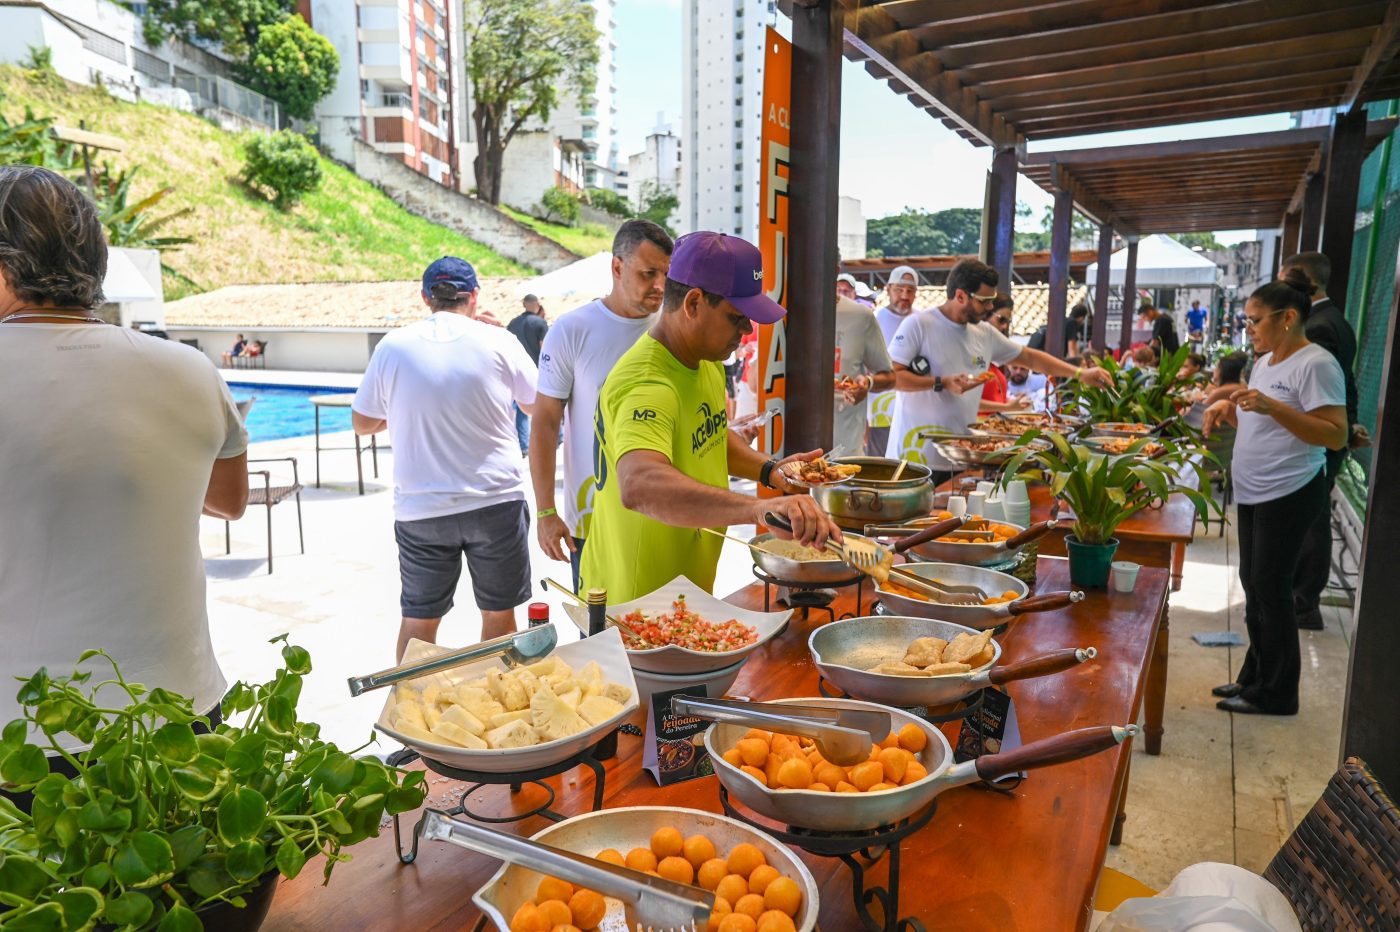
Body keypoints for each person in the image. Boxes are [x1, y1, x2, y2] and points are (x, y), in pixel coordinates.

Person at [0, 166, 248, 767]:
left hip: (25, 739)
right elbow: (229, 501)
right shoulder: (190, 373)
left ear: (5, 271)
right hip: (180, 716)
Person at [580, 232, 842, 603]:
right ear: (693, 303)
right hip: (633, 600)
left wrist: (771, 471)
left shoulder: (705, 360)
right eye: (737, 318)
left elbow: (711, 436)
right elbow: (640, 484)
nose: (747, 331)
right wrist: (759, 509)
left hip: (685, 588)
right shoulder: (647, 381)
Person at [352, 256, 538, 659]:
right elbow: (536, 404)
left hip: (422, 510)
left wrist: (399, 411)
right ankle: (500, 713)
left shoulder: (393, 345)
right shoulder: (500, 340)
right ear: (474, 297)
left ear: (425, 298)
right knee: (499, 617)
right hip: (495, 502)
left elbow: (363, 422)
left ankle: (408, 713)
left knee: (419, 625)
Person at [1202, 270, 1347, 715]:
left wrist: (1272, 406)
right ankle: (1256, 675)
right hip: (1253, 490)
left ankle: (1278, 692)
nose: (1249, 329)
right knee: (1254, 584)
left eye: (1255, 320)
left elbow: (1335, 434)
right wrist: (1232, 406)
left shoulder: (1316, 363)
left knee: (1271, 587)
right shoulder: (1265, 362)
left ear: (1287, 318)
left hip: (1288, 490)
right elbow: (1262, 419)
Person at [530, 220, 674, 591]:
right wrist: (545, 511)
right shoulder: (572, 330)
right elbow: (546, 422)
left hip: (665, 512)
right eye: (648, 273)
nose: (659, 285)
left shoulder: (675, 328)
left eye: (665, 274)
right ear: (617, 267)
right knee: (597, 641)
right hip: (593, 520)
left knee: (670, 633)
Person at [886, 258, 1113, 482]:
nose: (990, 308)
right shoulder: (919, 325)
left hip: (960, 457)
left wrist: (1080, 374)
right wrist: (941, 382)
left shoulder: (984, 332)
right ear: (960, 296)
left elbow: (1030, 358)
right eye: (984, 301)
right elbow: (892, 377)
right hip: (913, 455)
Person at [1280, 252, 1366, 631]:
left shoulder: (1318, 328)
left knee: (1311, 519)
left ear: (1306, 286)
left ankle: (1302, 603)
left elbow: (1319, 392)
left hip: (1318, 440)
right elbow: (1344, 384)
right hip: (1328, 434)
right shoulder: (1334, 321)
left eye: (1284, 283)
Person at [833, 274, 894, 455]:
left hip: (845, 453)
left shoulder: (860, 316)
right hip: (792, 458)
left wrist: (867, 383)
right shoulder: (785, 312)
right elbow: (756, 383)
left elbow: (890, 377)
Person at [867, 264, 921, 455]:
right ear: (888, 289)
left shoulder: (922, 321)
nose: (904, 296)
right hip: (881, 409)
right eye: (899, 290)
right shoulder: (874, 320)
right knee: (880, 464)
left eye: (910, 290)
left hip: (914, 408)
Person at [507, 293, 550, 456]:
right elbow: (545, 348)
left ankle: (524, 445)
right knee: (545, 407)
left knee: (520, 410)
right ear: (536, 304)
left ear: (524, 304)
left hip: (516, 370)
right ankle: (556, 437)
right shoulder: (540, 323)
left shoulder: (512, 323)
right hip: (539, 370)